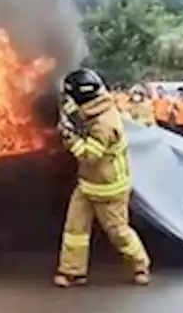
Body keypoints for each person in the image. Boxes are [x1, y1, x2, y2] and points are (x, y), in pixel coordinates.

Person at [54, 68, 151, 288]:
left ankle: (140, 265)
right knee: (75, 230)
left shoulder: (105, 124)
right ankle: (73, 272)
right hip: (87, 185)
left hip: (109, 188)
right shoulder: (93, 107)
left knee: (118, 232)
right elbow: (79, 116)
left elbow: (90, 155)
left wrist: (70, 138)